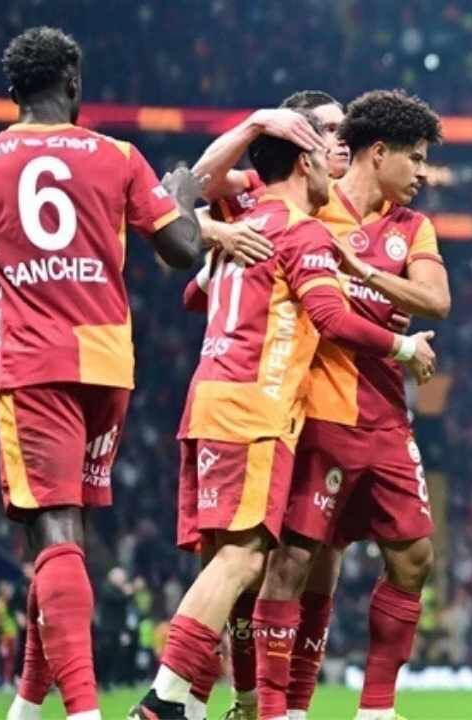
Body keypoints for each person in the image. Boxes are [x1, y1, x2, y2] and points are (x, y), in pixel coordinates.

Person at [129, 109, 436, 720]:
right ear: (303, 159)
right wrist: (401, 345)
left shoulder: (249, 223)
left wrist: (211, 231)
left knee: (231, 562)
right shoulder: (301, 228)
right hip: (258, 406)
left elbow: (188, 275)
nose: (334, 155)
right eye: (325, 143)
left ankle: (206, 703)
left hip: (209, 399)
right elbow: (331, 317)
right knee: (245, 562)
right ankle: (167, 701)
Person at [0, 26, 205, 720]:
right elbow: (183, 249)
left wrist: (17, 314)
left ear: (13, 91)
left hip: (34, 365)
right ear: (74, 82)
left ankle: (82, 713)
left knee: (52, 533)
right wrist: (181, 191)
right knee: (65, 539)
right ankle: (27, 706)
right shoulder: (118, 156)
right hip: (109, 365)